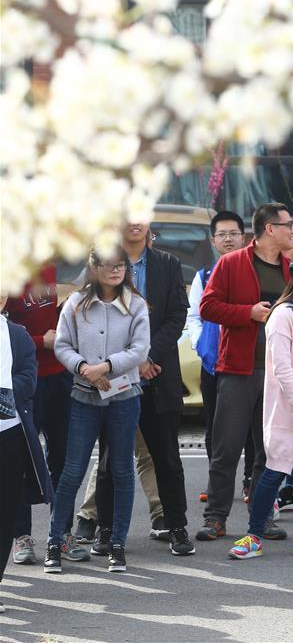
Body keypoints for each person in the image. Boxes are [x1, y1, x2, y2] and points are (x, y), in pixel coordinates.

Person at [92, 221, 195, 556]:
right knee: (111, 456)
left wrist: (146, 356)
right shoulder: (103, 263)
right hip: (115, 374)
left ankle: (177, 527)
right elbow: (94, 317)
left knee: (166, 456)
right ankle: (105, 530)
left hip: (157, 373)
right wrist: (127, 360)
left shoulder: (167, 264)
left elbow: (177, 315)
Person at [47, 248, 151, 573]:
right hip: (82, 396)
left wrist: (105, 366)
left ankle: (117, 544)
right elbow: (63, 344)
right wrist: (82, 368)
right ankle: (55, 540)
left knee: (121, 470)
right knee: (72, 471)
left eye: (120, 265)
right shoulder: (76, 303)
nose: (115, 271)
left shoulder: (136, 304)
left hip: (125, 397)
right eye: (107, 265)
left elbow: (140, 349)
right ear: (93, 267)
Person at [197, 202, 293, 542]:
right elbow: (207, 307)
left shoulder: (291, 268)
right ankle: (216, 518)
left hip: (277, 374)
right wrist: (247, 313)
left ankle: (262, 517)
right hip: (238, 369)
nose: (292, 231)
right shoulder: (231, 263)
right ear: (271, 229)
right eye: (287, 225)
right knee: (227, 447)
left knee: (268, 451)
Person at [228, 251, 293, 561]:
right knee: (276, 467)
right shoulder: (283, 314)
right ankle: (254, 533)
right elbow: (282, 367)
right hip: (291, 401)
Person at [5, 266, 76, 567]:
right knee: (21, 460)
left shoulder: (53, 267)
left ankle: (61, 533)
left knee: (63, 458)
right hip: (23, 380)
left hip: (60, 376)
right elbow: (4, 330)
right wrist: (39, 341)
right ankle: (21, 535)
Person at [186, 211, 255, 504]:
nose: (228, 239)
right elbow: (194, 316)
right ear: (214, 240)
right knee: (215, 425)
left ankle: (251, 481)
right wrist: (202, 346)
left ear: (244, 237)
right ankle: (216, 484)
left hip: (250, 361)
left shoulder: (256, 271)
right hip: (214, 363)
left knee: (254, 426)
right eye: (222, 234)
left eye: (233, 233)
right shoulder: (204, 275)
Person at [1, 293, 53, 612]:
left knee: (4, 515)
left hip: (9, 436)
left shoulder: (16, 334)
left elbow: (28, 379)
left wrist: (4, 394)